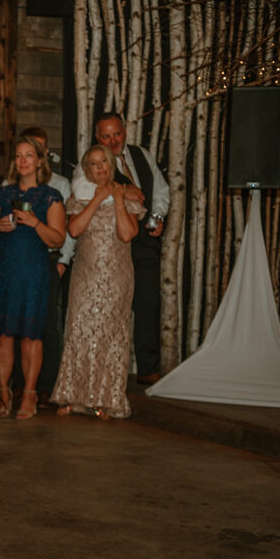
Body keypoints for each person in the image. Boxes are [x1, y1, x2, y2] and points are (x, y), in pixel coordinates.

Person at [72, 112, 169, 384]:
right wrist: (123, 191)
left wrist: (157, 217)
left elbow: (160, 191)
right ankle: (107, 376)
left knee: (148, 304)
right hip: (111, 248)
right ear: (97, 136)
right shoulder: (90, 161)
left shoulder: (142, 155)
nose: (113, 140)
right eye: (106, 135)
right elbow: (81, 190)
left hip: (143, 243)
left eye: (117, 134)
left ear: (124, 131)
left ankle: (149, 370)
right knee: (111, 311)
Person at [53, 145, 144, 418]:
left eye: (104, 162)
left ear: (111, 164)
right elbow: (74, 229)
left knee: (112, 335)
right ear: (87, 168)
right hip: (85, 274)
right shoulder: (80, 196)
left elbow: (128, 235)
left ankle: (106, 400)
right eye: (93, 164)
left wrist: (117, 199)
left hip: (117, 277)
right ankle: (72, 396)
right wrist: (96, 200)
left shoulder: (127, 196)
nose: (100, 167)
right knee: (79, 329)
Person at [0, 137, 66, 419]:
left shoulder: (50, 196)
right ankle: (4, 392)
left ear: (40, 161)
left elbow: (58, 238)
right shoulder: (3, 195)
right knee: (3, 334)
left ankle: (29, 394)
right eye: (19, 155)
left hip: (33, 271)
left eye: (29, 155)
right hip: (4, 268)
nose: (23, 161)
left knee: (31, 336)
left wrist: (35, 223)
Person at [20, 127, 76, 400]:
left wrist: (63, 260)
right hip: (18, 262)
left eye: (38, 148)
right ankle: (19, 384)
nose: (32, 155)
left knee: (46, 323)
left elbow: (64, 228)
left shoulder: (60, 185)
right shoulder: (13, 185)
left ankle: (47, 386)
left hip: (49, 260)